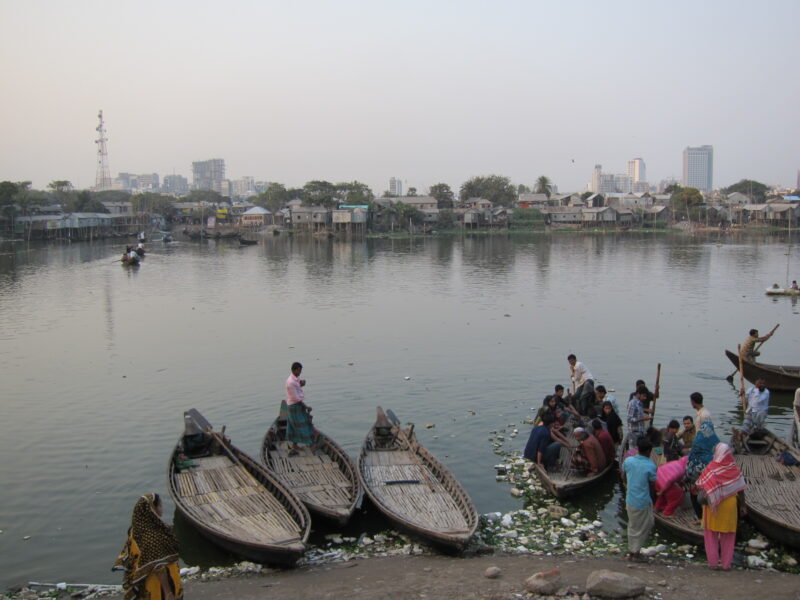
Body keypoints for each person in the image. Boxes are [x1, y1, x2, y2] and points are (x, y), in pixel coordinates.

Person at [113, 493, 182, 600]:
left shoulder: (136, 531)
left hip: (143, 582)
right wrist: (168, 593)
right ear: (152, 509)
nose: (162, 508)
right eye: (160, 505)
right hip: (156, 586)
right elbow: (158, 567)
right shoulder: (152, 537)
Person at [697, 443, 747, 570]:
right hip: (730, 505)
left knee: (710, 535)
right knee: (728, 537)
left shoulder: (711, 468)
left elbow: (702, 485)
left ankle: (713, 563)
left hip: (713, 504)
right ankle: (726, 565)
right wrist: (743, 506)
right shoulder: (734, 469)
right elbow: (741, 488)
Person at [621, 436, 657, 561]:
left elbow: (624, 476)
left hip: (630, 498)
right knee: (642, 527)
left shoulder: (628, 461)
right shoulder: (650, 465)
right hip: (642, 501)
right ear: (648, 451)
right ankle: (635, 553)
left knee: (634, 526)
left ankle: (633, 551)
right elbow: (652, 485)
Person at [685, 420, 721, 518]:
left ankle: (700, 517)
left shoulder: (697, 439)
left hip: (695, 472)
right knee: (708, 494)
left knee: (694, 493)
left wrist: (688, 474)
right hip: (708, 474)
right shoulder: (715, 440)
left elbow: (691, 457)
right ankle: (709, 516)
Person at [284, 361, 315, 455]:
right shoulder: (290, 383)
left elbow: (297, 385)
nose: (300, 372)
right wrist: (306, 407)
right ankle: (311, 444)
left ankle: (294, 445)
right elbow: (296, 399)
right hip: (294, 406)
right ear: (295, 370)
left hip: (294, 404)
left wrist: (302, 383)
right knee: (304, 425)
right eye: (299, 370)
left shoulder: (294, 379)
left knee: (294, 426)